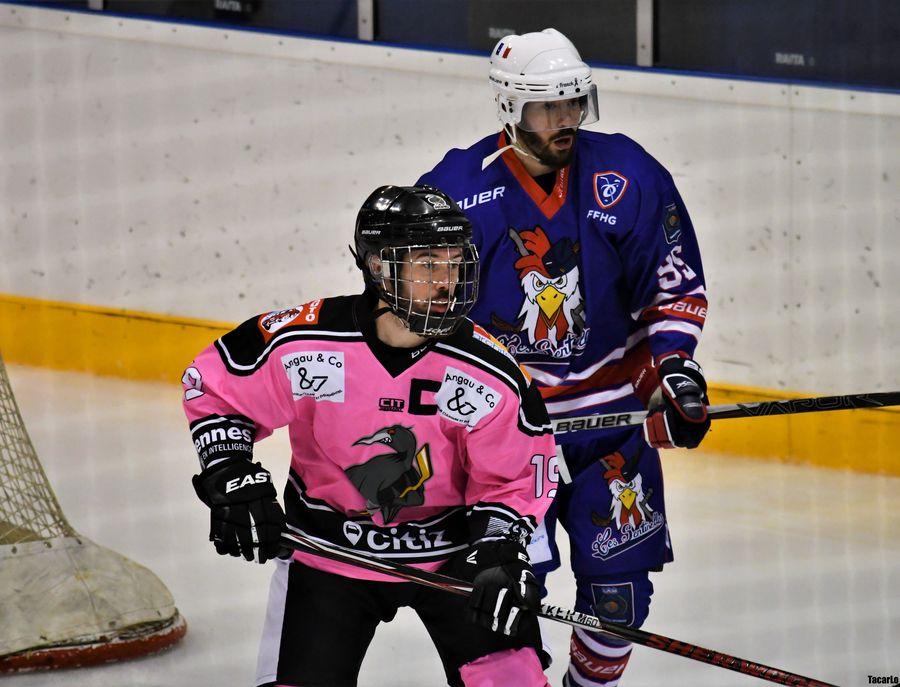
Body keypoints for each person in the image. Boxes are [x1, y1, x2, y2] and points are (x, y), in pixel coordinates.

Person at [417, 29, 711, 687]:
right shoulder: (458, 192)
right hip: (508, 436)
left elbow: (673, 285)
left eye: (575, 103)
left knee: (619, 601)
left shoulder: (629, 176)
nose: (567, 120)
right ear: (511, 108)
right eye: (550, 107)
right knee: (500, 597)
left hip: (612, 428)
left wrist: (675, 373)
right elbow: (422, 315)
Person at [182, 185, 558, 687]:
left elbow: (514, 478)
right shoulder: (305, 342)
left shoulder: (489, 372)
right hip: (328, 552)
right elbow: (218, 390)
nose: (447, 281)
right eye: (428, 264)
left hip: (452, 559)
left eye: (454, 263)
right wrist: (232, 474)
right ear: (380, 266)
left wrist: (500, 552)